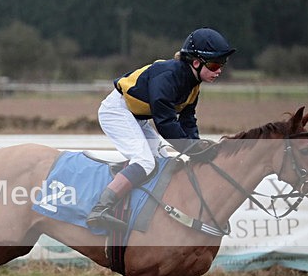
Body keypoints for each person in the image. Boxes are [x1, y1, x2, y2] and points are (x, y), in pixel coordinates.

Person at [86, 27, 236, 231]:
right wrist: (192, 149)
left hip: (136, 117)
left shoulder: (193, 84)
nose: (219, 71)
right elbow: (165, 123)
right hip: (116, 112)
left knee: (164, 161)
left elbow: (187, 120)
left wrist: (197, 146)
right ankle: (100, 209)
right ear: (196, 62)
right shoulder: (167, 76)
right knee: (145, 162)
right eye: (214, 64)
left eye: (222, 64)